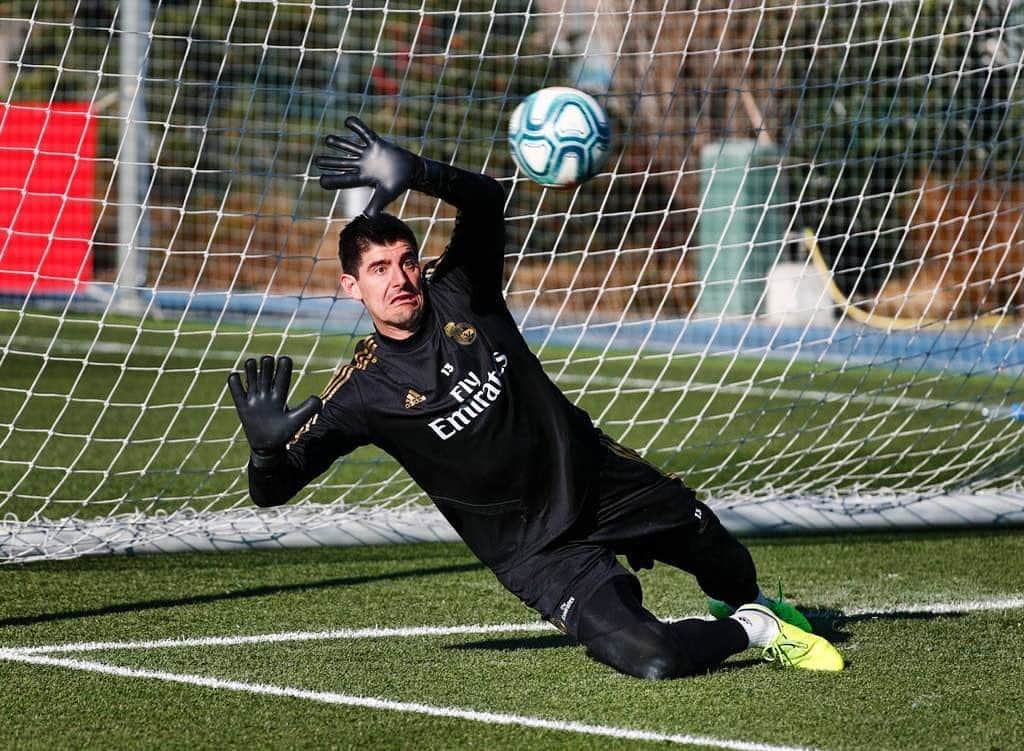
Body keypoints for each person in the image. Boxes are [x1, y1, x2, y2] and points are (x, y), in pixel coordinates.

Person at [228, 116, 844, 679]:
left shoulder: (460, 293)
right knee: (651, 660)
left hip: (598, 480)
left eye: (406, 261)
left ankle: (748, 601)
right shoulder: (361, 391)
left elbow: (488, 199)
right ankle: (753, 628)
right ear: (351, 287)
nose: (400, 278)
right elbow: (272, 492)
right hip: (538, 551)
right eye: (380, 269)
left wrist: (415, 170)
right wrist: (264, 452)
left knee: (728, 560)